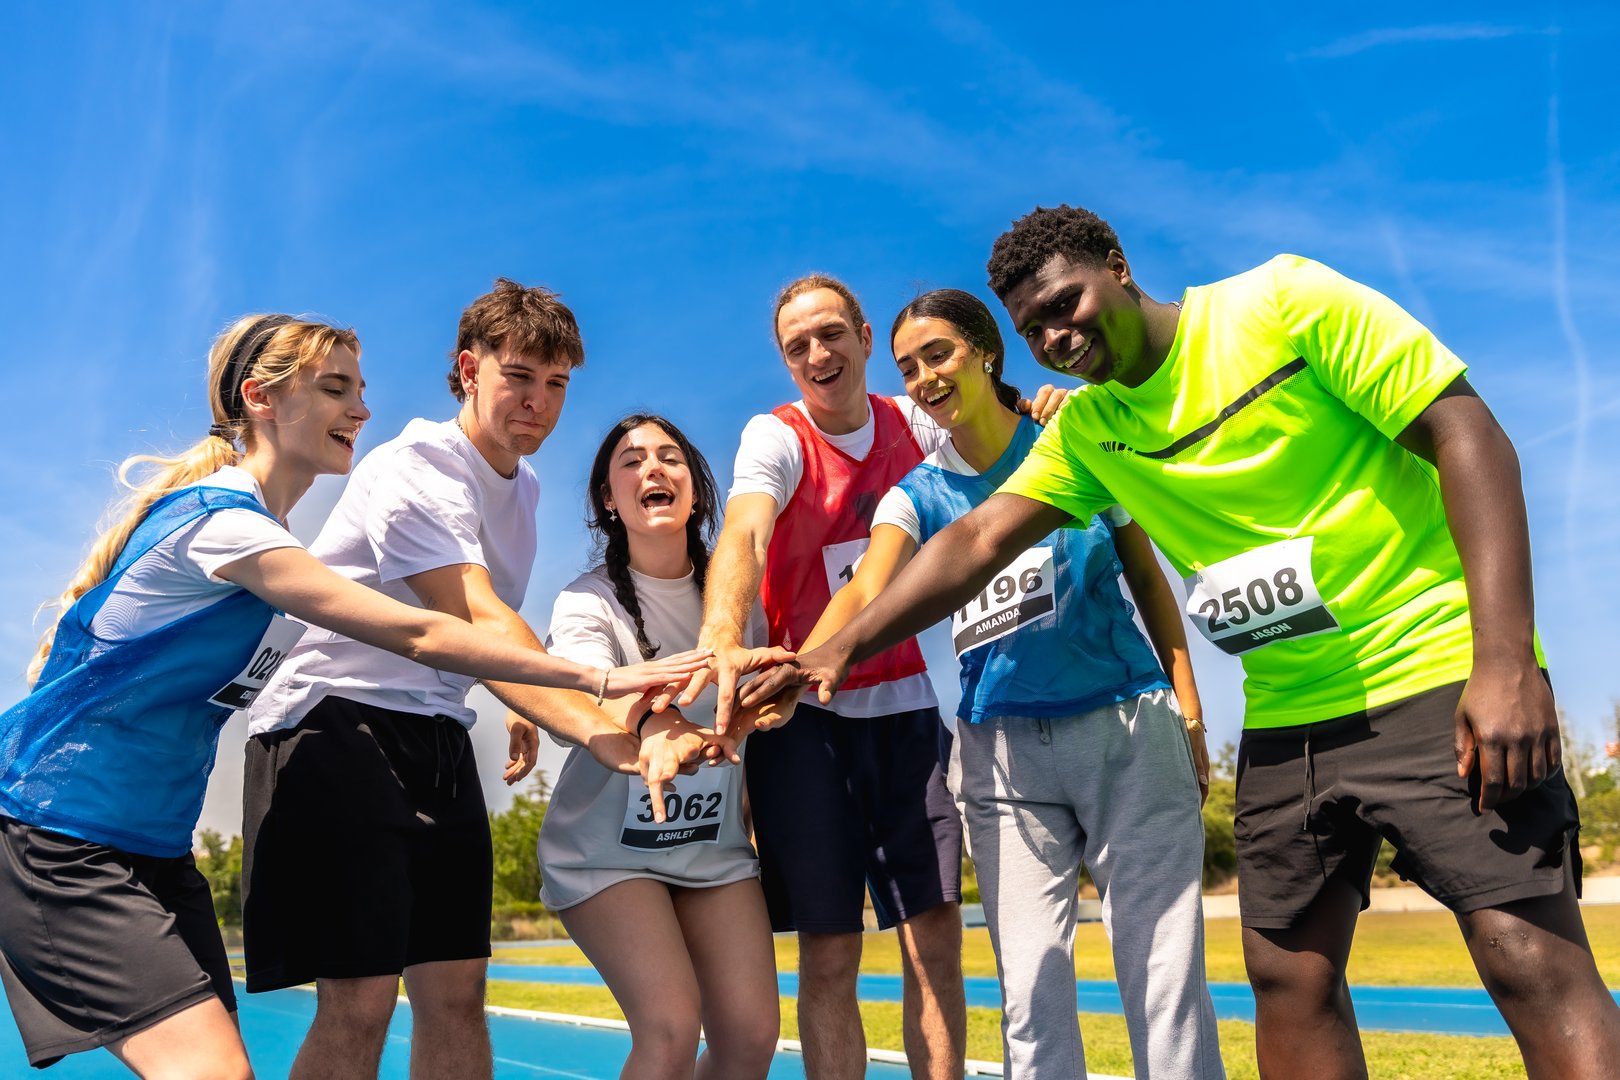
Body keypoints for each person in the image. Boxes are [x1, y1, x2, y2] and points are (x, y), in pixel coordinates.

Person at [763, 205, 1620, 1079]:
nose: (1056, 336)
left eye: (1066, 303)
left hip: (1431, 673)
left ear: (1118, 264)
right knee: (1286, 978)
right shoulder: (1092, 432)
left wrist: (1506, 659)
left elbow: (1467, 431)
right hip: (1290, 714)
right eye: (1034, 328)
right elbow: (977, 541)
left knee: (1524, 954)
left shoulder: (1283, 303)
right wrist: (834, 650)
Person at [0, 316, 705, 1077]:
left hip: (156, 847)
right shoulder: (224, 526)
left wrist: (509, 692)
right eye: (336, 389)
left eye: (360, 390)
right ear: (259, 400)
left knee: (421, 1001)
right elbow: (428, 630)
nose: (362, 410)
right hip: (60, 830)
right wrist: (599, 684)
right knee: (242, 1059)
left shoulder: (266, 535)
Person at [746, 288, 1224, 1079]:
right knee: (1030, 996)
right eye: (910, 367)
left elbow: (1147, 572)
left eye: (940, 354)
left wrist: (1192, 711)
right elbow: (867, 588)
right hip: (1002, 755)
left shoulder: (1072, 439)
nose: (926, 377)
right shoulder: (917, 495)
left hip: (1126, 729)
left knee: (1162, 981)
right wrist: (808, 663)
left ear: (986, 352)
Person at [239, 281, 699, 1080]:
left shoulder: (524, 487)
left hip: (435, 733)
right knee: (362, 1001)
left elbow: (475, 640)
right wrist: (608, 728)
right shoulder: (417, 465)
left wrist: (504, 694)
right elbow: (473, 615)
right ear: (469, 369)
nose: (539, 402)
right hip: (336, 725)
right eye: (520, 376)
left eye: (557, 384)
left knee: (456, 994)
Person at [682, 273, 968, 1080]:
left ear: (866, 337)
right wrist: (720, 635)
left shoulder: (913, 420)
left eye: (831, 333)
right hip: (801, 723)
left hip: (907, 714)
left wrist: (1041, 409)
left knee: (934, 947)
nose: (817, 353)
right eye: (797, 344)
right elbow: (743, 534)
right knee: (831, 953)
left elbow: (992, 438)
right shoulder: (773, 438)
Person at [539, 414, 786, 1080]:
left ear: (698, 492)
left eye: (670, 457)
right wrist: (656, 723)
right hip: (605, 856)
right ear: (607, 501)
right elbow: (595, 688)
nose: (653, 468)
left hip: (711, 851)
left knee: (751, 1037)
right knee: (671, 1029)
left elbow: (772, 694)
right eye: (631, 461)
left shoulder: (739, 605)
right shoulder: (586, 601)